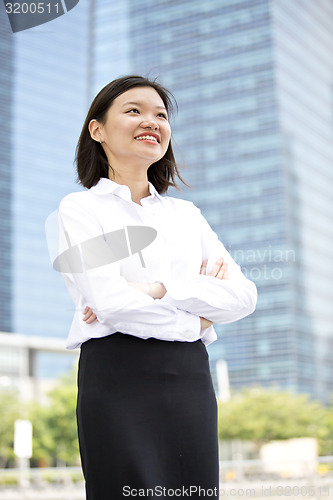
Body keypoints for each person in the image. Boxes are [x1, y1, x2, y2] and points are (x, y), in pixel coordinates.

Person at [56, 75, 257, 499]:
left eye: (161, 115)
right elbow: (112, 303)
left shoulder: (186, 215)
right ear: (97, 130)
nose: (152, 121)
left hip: (189, 381)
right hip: (117, 376)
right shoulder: (80, 209)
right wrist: (198, 318)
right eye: (134, 111)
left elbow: (243, 296)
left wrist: (157, 288)